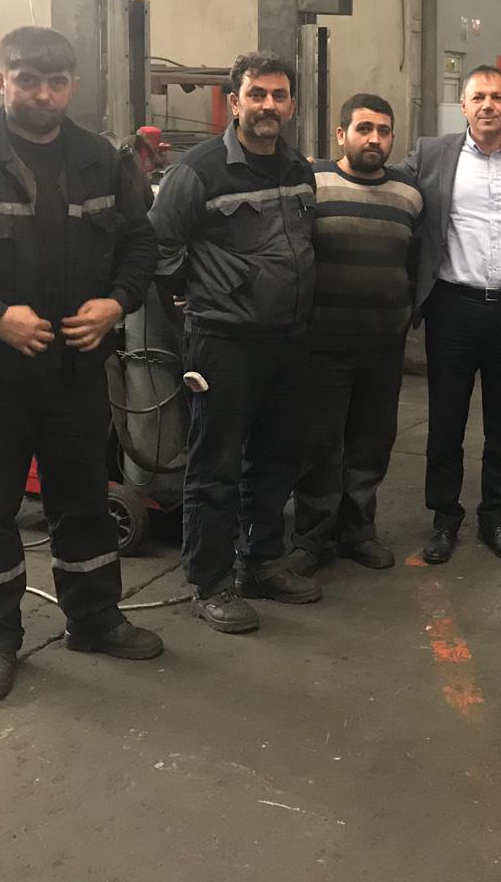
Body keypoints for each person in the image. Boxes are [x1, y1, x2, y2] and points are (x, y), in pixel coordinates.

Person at [0, 25, 162, 701]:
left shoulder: (99, 159)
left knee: (84, 504)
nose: (43, 95)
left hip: (75, 374)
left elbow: (140, 243)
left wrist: (116, 302)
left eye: (56, 82)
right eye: (28, 80)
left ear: (72, 85)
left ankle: (94, 619)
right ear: (0, 80)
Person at [149, 51, 321, 633]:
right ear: (234, 102)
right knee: (215, 465)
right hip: (223, 340)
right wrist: (203, 290)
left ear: (291, 104)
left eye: (278, 95)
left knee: (275, 459)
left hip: (288, 338)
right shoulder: (198, 170)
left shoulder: (297, 168)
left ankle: (261, 563)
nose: (268, 105)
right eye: (257, 94)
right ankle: (210, 581)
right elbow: (158, 248)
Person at [402, 66, 501, 564]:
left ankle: (496, 516)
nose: (488, 105)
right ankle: (444, 518)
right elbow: (385, 181)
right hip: (452, 308)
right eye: (478, 97)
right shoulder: (432, 154)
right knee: (446, 421)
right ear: (464, 106)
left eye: (497, 97)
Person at [282, 94, 421, 576]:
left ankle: (358, 531)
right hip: (323, 346)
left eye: (383, 130)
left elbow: (413, 261)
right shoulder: (313, 182)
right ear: (341, 135)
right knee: (319, 445)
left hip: (383, 347)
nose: (374, 139)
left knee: (371, 443)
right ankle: (312, 537)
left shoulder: (409, 192)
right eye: (364, 129)